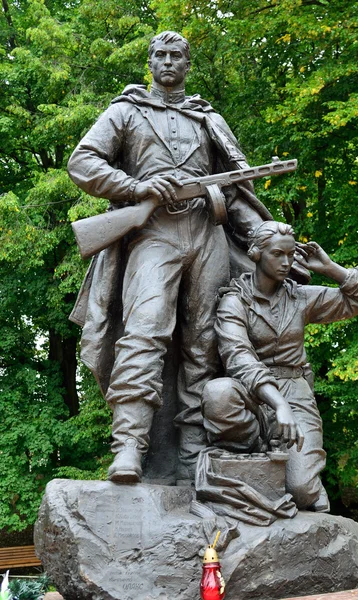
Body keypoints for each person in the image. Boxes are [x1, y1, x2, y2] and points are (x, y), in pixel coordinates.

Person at [67, 31, 289, 484]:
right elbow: (83, 162)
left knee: (204, 344)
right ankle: (129, 446)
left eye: (177, 56)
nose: (168, 62)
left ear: (188, 64)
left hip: (207, 235)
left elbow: (237, 190)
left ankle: (193, 451)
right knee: (144, 332)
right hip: (153, 235)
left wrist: (263, 237)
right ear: (149, 61)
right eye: (160, 55)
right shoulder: (125, 112)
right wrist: (136, 187)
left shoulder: (208, 119)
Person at [201, 221, 358, 511]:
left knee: (302, 491)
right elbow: (238, 357)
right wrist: (277, 404)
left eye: (290, 254)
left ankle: (292, 467)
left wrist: (330, 267)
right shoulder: (235, 301)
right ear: (256, 254)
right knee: (218, 393)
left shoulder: (300, 297)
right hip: (253, 396)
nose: (286, 262)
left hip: (295, 394)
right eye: (277, 254)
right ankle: (254, 450)